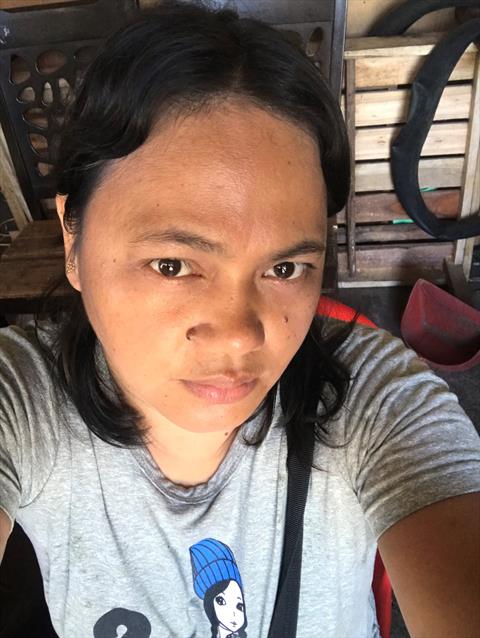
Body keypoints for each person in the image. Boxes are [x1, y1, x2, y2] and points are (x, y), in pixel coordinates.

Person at [0, 2, 479, 637]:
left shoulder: (370, 400)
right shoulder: (25, 402)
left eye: (285, 268)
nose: (240, 335)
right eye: (172, 265)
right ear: (72, 239)